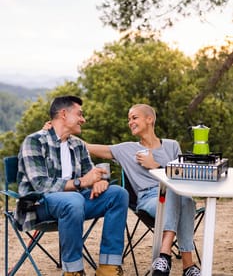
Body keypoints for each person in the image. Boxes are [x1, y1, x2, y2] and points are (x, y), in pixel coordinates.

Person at [16, 95, 129, 276]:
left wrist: (99, 182)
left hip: (75, 202)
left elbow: (90, 174)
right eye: (80, 114)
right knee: (73, 199)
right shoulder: (35, 141)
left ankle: (108, 266)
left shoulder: (78, 145)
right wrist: (81, 182)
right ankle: (73, 271)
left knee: (118, 194)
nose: (83, 120)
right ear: (63, 114)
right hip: (40, 205)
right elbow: (39, 184)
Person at [85, 104, 201, 276]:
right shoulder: (126, 149)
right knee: (180, 197)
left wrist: (155, 166)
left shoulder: (172, 146)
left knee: (181, 196)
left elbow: (181, 177)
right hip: (149, 199)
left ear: (149, 119)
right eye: (129, 119)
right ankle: (187, 265)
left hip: (175, 194)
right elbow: (87, 146)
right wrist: (58, 132)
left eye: (134, 117)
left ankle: (164, 255)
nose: (130, 122)